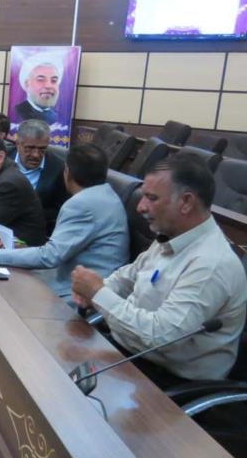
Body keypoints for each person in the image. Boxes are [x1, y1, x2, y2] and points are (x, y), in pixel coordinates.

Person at [71, 155, 247, 383]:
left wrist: (98, 294)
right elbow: (128, 277)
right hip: (129, 352)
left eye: (151, 198)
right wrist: (95, 289)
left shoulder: (212, 264)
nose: (140, 206)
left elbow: (161, 338)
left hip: (167, 378)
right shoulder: (173, 235)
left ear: (186, 202)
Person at [0, 144, 128, 298]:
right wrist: (18, 249)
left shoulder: (82, 204)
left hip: (79, 292)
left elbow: (50, 256)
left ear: (67, 172)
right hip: (78, 278)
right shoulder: (107, 195)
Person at [13, 119, 68, 232]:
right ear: (18, 144)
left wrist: (27, 213)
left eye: (42, 149)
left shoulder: (58, 168)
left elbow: (61, 209)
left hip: (36, 230)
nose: (36, 155)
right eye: (30, 148)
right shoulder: (2, 159)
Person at [15, 55, 62, 125]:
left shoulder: (59, 116)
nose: (48, 86)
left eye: (54, 80)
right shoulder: (17, 112)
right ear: (27, 84)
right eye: (40, 80)